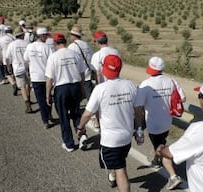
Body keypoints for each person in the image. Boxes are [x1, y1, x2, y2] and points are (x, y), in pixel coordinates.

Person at [76, 55, 137, 192]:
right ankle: (112, 176)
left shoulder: (100, 89)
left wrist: (80, 127)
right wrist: (138, 128)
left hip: (110, 140)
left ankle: (115, 178)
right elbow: (138, 110)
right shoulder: (131, 85)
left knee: (121, 169)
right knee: (118, 162)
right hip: (127, 136)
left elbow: (87, 113)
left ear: (104, 70)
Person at [134, 56, 186, 190]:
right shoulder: (171, 81)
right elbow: (183, 98)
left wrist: (138, 126)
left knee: (161, 148)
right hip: (167, 121)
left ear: (150, 69)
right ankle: (156, 160)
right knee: (160, 142)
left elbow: (138, 106)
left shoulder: (145, 84)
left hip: (153, 124)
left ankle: (173, 176)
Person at [45, 33, 86, 152]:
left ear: (55, 43)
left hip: (61, 88)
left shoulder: (53, 57)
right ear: (65, 42)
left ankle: (69, 143)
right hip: (75, 86)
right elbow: (82, 73)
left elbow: (49, 79)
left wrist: (48, 95)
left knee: (63, 116)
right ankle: (82, 134)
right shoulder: (75, 54)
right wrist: (81, 87)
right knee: (76, 113)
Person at [23, 27, 54, 128]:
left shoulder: (29, 47)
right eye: (46, 36)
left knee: (40, 100)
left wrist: (27, 71)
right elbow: (52, 62)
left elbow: (26, 61)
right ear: (42, 36)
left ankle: (45, 120)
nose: (47, 38)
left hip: (35, 77)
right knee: (48, 97)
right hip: (46, 76)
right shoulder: (47, 48)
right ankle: (49, 115)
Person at [5, 29, 33, 113]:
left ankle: (27, 104)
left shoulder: (11, 45)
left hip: (18, 68)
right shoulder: (27, 44)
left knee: (22, 86)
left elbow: (7, 57)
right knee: (28, 85)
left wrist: (8, 66)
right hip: (28, 67)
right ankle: (28, 97)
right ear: (22, 35)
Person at [67, 25, 94, 100]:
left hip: (77, 75)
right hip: (87, 73)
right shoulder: (86, 44)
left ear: (73, 36)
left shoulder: (72, 46)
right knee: (89, 96)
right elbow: (92, 57)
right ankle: (93, 110)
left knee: (76, 97)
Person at [0, 26, 18, 95]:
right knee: (14, 73)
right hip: (14, 59)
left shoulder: (1, 39)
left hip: (5, 59)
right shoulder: (14, 38)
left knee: (8, 74)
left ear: (5, 31)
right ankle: (16, 83)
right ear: (11, 31)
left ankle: (13, 83)